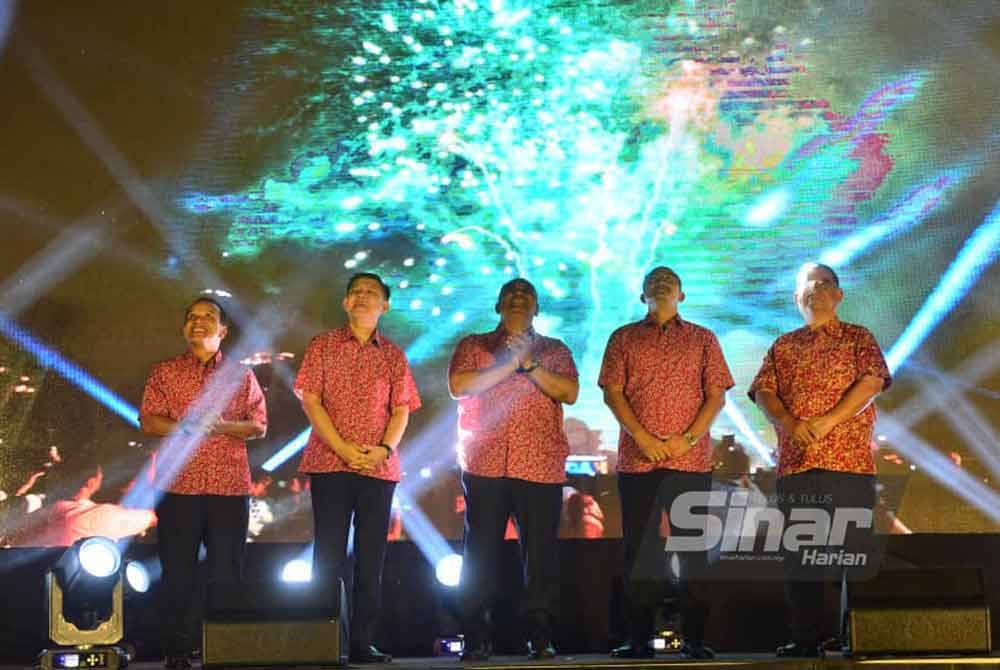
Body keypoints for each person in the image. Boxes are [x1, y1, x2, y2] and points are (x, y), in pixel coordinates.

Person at [748, 262, 891, 658]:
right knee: (801, 556)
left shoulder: (858, 337)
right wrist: (790, 422)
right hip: (798, 463)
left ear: (839, 294)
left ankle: (855, 636)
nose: (815, 289)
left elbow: (872, 382)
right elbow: (763, 392)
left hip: (848, 463)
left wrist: (828, 421)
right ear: (797, 298)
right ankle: (806, 637)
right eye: (807, 286)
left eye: (824, 283)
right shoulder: (783, 345)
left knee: (853, 553)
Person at [599, 266, 733, 660]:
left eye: (669, 281)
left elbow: (716, 396)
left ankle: (694, 640)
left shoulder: (703, 339)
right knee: (640, 550)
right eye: (653, 282)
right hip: (638, 461)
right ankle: (638, 640)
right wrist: (643, 438)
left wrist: (686, 439)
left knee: (692, 548)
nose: (661, 284)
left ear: (682, 295)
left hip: (689, 460)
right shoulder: (623, 338)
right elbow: (612, 393)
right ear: (643, 296)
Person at [448, 278, 579, 661]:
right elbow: (459, 385)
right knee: (479, 554)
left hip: (539, 463)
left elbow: (568, 392)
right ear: (497, 306)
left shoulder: (553, 349)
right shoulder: (474, 345)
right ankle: (475, 635)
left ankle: (539, 636)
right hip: (485, 462)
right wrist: (509, 365)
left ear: (537, 308)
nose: (518, 299)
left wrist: (530, 365)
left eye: (527, 296)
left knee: (539, 557)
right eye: (510, 294)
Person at [295, 272, 421, 665]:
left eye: (372, 293)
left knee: (371, 558)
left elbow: (401, 409)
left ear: (385, 305)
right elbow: (311, 400)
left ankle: (362, 642)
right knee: (329, 556)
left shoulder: (394, 354)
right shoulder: (323, 345)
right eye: (356, 292)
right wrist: (343, 449)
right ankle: (325, 639)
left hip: (378, 468)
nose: (363, 297)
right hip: (330, 463)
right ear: (346, 303)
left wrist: (383, 448)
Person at [140, 297, 267, 670]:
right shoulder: (165, 371)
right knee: (177, 570)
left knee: (226, 571)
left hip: (229, 488)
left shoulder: (241, 375)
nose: (198, 322)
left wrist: (222, 427)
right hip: (178, 486)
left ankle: (222, 647)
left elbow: (259, 425)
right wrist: (187, 426)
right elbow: (149, 421)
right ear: (184, 329)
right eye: (192, 317)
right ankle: (177, 649)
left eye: (208, 317)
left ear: (223, 331)